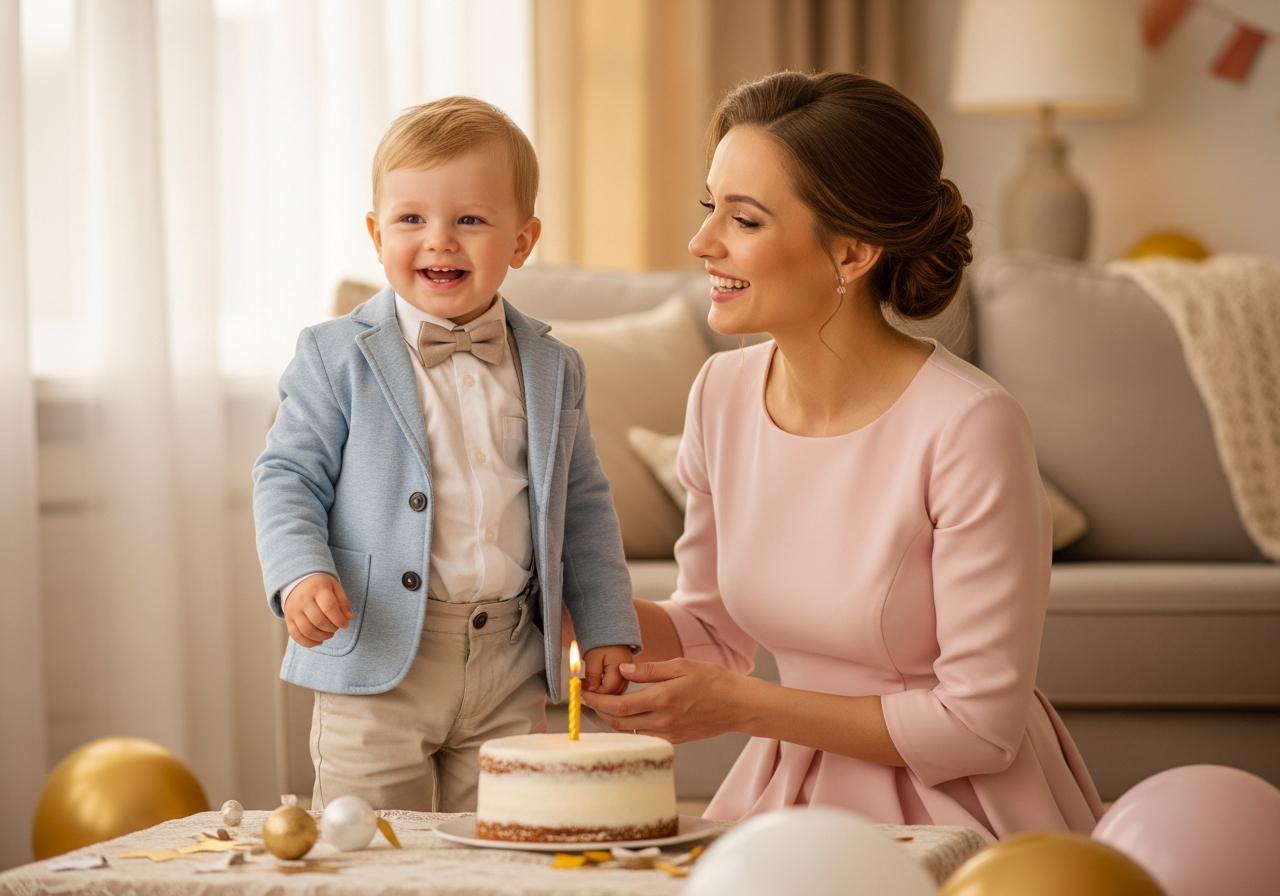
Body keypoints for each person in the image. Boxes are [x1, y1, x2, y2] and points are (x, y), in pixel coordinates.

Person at [582, 72, 1103, 840]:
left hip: (957, 815)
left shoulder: (971, 426)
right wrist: (569, 604)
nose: (702, 243)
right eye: (709, 207)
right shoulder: (720, 395)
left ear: (853, 252)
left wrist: (743, 708)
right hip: (788, 796)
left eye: (745, 219)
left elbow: (979, 724)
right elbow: (711, 633)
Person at [254, 96, 639, 813]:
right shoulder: (333, 355)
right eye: (411, 219)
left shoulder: (555, 367)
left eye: (469, 219)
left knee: (502, 842)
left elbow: (582, 504)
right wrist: (300, 572)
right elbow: (286, 476)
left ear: (522, 242)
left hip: (509, 661)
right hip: (377, 654)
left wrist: (608, 625)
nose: (439, 240)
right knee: (372, 854)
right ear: (375, 234)